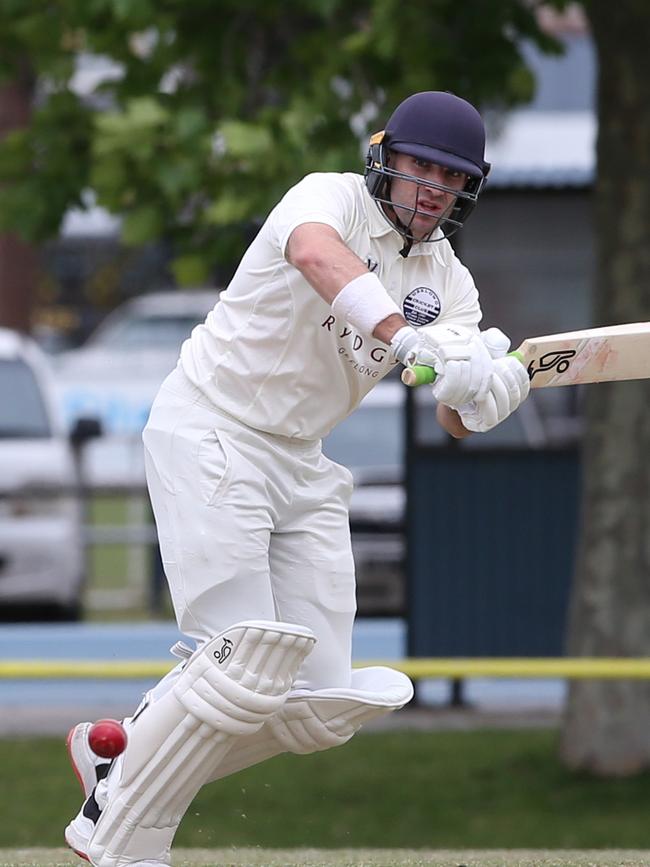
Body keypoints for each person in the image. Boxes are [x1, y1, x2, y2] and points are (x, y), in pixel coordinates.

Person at [64, 90, 530, 866]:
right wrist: (405, 336)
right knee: (242, 659)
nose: (431, 189)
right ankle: (115, 830)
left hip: (302, 458)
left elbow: (453, 408)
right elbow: (318, 256)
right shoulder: (328, 197)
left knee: (323, 701)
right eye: (418, 167)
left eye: (449, 178)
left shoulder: (450, 280)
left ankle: (123, 759)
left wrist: (488, 393)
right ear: (384, 158)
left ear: (466, 190)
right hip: (213, 425)